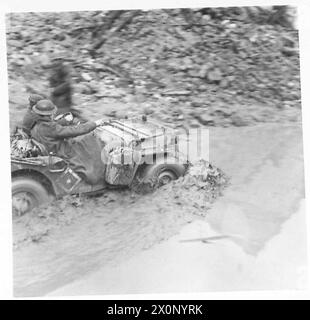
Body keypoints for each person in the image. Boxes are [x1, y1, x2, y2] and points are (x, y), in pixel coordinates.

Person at [30, 99, 105, 185]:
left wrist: (64, 121)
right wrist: (94, 124)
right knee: (90, 140)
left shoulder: (37, 124)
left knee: (82, 140)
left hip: (53, 148)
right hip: (62, 152)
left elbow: (54, 128)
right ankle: (96, 173)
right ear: (49, 114)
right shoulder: (50, 128)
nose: (53, 114)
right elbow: (72, 131)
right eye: (52, 113)